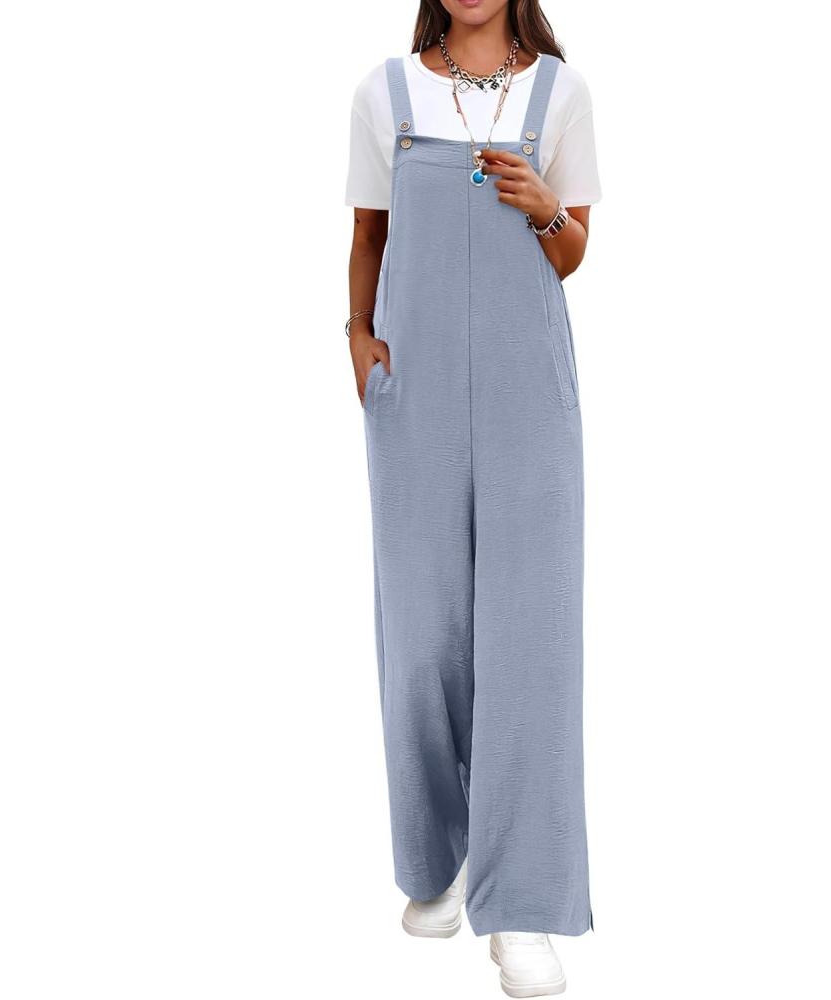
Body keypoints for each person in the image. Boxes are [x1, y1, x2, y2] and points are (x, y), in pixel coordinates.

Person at [344, 2, 601, 995]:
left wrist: (544, 205)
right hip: (411, 394)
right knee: (420, 637)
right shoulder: (386, 92)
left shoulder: (561, 93)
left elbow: (571, 254)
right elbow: (369, 232)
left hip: (527, 392)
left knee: (530, 641)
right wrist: (356, 338)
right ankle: (438, 857)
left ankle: (522, 906)